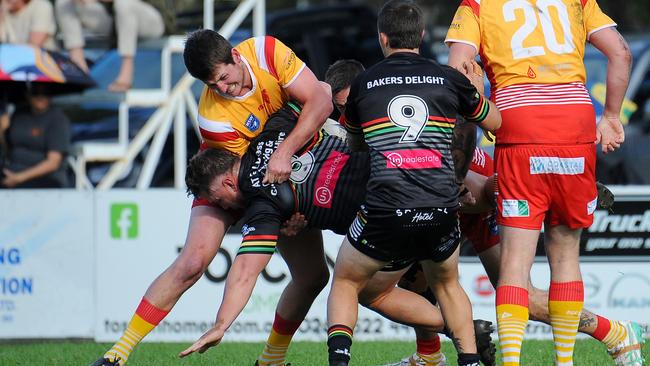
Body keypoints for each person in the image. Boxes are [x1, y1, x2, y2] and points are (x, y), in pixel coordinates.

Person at [177, 105, 495, 366]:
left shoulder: (261, 202)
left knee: (364, 290)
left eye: (218, 200)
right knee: (455, 250)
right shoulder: (276, 128)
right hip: (411, 168)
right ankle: (525, 193)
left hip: (385, 212)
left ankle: (457, 332)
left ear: (228, 184)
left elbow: (246, 271)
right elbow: (320, 97)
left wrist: (221, 324)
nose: (225, 210)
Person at [90, 29, 332, 366]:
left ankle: (271, 361)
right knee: (191, 263)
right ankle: (118, 353)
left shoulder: (267, 51)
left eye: (222, 77)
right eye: (210, 84)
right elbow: (245, 183)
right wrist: (285, 211)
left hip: (284, 167)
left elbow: (321, 100)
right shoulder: (213, 118)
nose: (220, 88)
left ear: (235, 55)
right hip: (224, 179)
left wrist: (288, 164)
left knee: (314, 276)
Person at [445, 0, 639, 365]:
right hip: (575, 125)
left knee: (516, 263)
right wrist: (611, 115)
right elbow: (622, 53)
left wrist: (480, 107)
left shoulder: (477, 6)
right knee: (565, 254)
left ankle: (512, 363)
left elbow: (457, 70)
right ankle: (564, 362)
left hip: (518, 125)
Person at [325, 1, 501, 366]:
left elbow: (356, 144)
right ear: (421, 36)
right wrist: (477, 90)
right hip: (442, 207)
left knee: (346, 281)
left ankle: (340, 361)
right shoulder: (448, 78)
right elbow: (495, 123)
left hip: (386, 209)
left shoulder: (363, 83)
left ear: (382, 38)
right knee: (448, 285)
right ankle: (467, 360)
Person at [55, 0, 165, 91]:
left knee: (124, 3)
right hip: (115, 19)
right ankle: (79, 68)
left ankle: (126, 74)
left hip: (151, 19)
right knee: (64, 2)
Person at [0, 84, 71, 188]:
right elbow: (8, 150)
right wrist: (2, 130)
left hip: (45, 178)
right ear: (27, 95)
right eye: (35, 93)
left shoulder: (58, 119)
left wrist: (19, 178)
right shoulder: (19, 113)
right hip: (12, 170)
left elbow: (53, 162)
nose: (40, 97)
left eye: (45, 93)